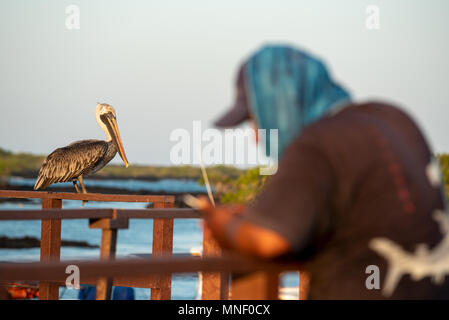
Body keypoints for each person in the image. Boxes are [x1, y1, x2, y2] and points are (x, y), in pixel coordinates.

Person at [197, 44, 449, 299]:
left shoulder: (317, 143)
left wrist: (221, 224)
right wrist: (260, 217)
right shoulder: (394, 119)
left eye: (255, 119)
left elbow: (268, 241)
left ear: (278, 104)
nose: (255, 136)